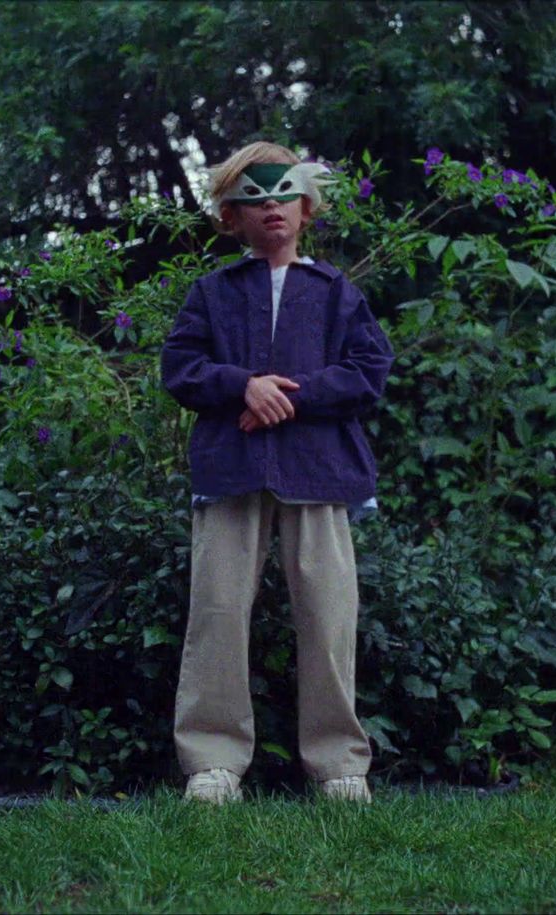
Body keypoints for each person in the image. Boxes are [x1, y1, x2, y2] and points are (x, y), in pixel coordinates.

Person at [159, 141, 395, 804]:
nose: (270, 210)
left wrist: (290, 396)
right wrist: (241, 385)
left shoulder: (335, 293)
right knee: (218, 609)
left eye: (282, 196)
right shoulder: (212, 292)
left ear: (306, 208)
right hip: (230, 469)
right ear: (231, 217)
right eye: (253, 200)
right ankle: (212, 763)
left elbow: (368, 370)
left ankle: (339, 764)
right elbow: (180, 367)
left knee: (328, 612)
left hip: (319, 472)